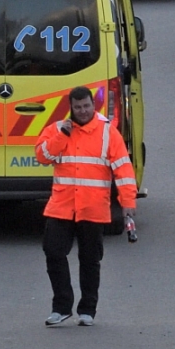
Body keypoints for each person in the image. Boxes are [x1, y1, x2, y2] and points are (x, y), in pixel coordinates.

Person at [35, 85, 135, 326]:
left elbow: (123, 169)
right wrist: (62, 136)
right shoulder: (58, 129)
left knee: (90, 260)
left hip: (92, 207)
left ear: (94, 105)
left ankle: (87, 310)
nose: (82, 111)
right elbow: (42, 156)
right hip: (62, 206)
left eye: (86, 106)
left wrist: (127, 203)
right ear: (71, 107)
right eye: (77, 107)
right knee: (53, 252)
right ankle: (61, 307)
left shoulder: (108, 133)